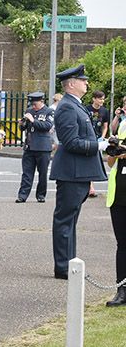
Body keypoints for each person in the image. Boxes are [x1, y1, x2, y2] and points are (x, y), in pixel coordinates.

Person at [51, 65, 108, 280]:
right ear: (72, 84)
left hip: (78, 173)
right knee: (65, 221)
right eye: (83, 80)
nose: (87, 83)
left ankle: (70, 263)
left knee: (70, 221)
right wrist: (97, 147)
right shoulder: (67, 107)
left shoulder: (76, 105)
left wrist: (102, 143)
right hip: (71, 173)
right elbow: (71, 141)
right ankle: (64, 267)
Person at [17, 92, 54, 203]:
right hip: (29, 146)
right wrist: (22, 123)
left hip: (42, 147)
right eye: (31, 104)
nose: (33, 106)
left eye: (35, 104)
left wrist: (33, 121)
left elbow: (47, 126)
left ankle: (41, 195)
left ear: (41, 101)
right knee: (27, 173)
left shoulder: (49, 112)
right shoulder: (29, 111)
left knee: (42, 173)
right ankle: (22, 195)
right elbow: (23, 128)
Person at [104, 119, 126, 307]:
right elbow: (111, 163)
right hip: (118, 196)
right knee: (123, 245)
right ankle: (122, 290)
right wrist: (114, 152)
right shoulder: (123, 126)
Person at [87, 90, 110, 198]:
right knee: (89, 160)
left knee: (96, 161)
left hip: (98, 139)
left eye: (103, 99)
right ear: (94, 99)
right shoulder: (87, 109)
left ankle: (91, 185)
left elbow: (105, 126)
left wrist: (102, 137)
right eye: (100, 98)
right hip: (88, 139)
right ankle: (90, 187)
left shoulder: (105, 111)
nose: (102, 101)